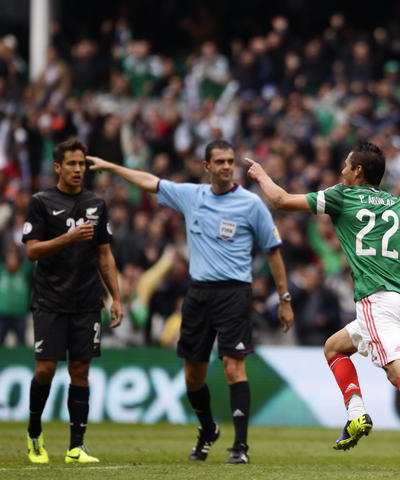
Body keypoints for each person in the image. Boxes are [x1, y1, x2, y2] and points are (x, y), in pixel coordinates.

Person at [246, 142, 400, 471]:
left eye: (345, 165)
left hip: (376, 299)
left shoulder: (343, 196)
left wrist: (260, 174)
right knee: (334, 347)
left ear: (358, 171)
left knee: (396, 369)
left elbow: (281, 200)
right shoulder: (398, 204)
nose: (341, 170)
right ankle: (356, 414)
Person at [87, 139, 294, 465]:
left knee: (233, 366)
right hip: (198, 294)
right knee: (192, 377)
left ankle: (240, 447)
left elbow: (273, 252)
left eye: (230, 161)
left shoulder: (251, 204)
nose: (227, 166)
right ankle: (208, 428)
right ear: (206, 166)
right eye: (221, 161)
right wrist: (112, 167)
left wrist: (284, 299)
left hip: (235, 292)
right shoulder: (191, 196)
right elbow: (148, 181)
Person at [22, 138, 123, 464]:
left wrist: (115, 299)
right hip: (50, 300)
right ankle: (34, 432)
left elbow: (105, 256)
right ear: (58, 167)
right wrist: (67, 237)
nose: (78, 169)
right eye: (72, 164)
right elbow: (31, 251)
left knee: (80, 371)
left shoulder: (96, 203)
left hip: (86, 301)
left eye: (82, 164)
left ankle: (75, 447)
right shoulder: (41, 201)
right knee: (46, 370)